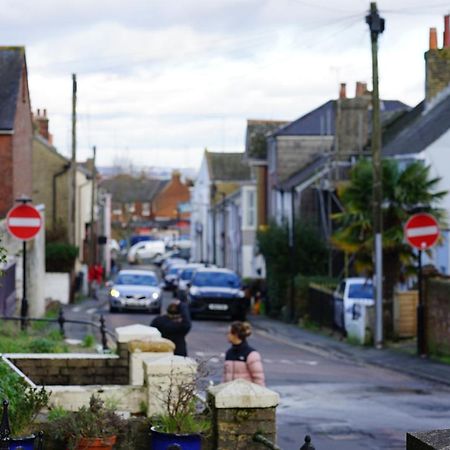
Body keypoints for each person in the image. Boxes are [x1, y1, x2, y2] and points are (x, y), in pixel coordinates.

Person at [223, 321, 265, 386]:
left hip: (246, 394)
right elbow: (225, 377)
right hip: (230, 394)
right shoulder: (229, 353)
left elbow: (258, 378)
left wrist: (260, 394)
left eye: (229, 333)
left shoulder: (251, 354)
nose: (227, 335)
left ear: (236, 334)